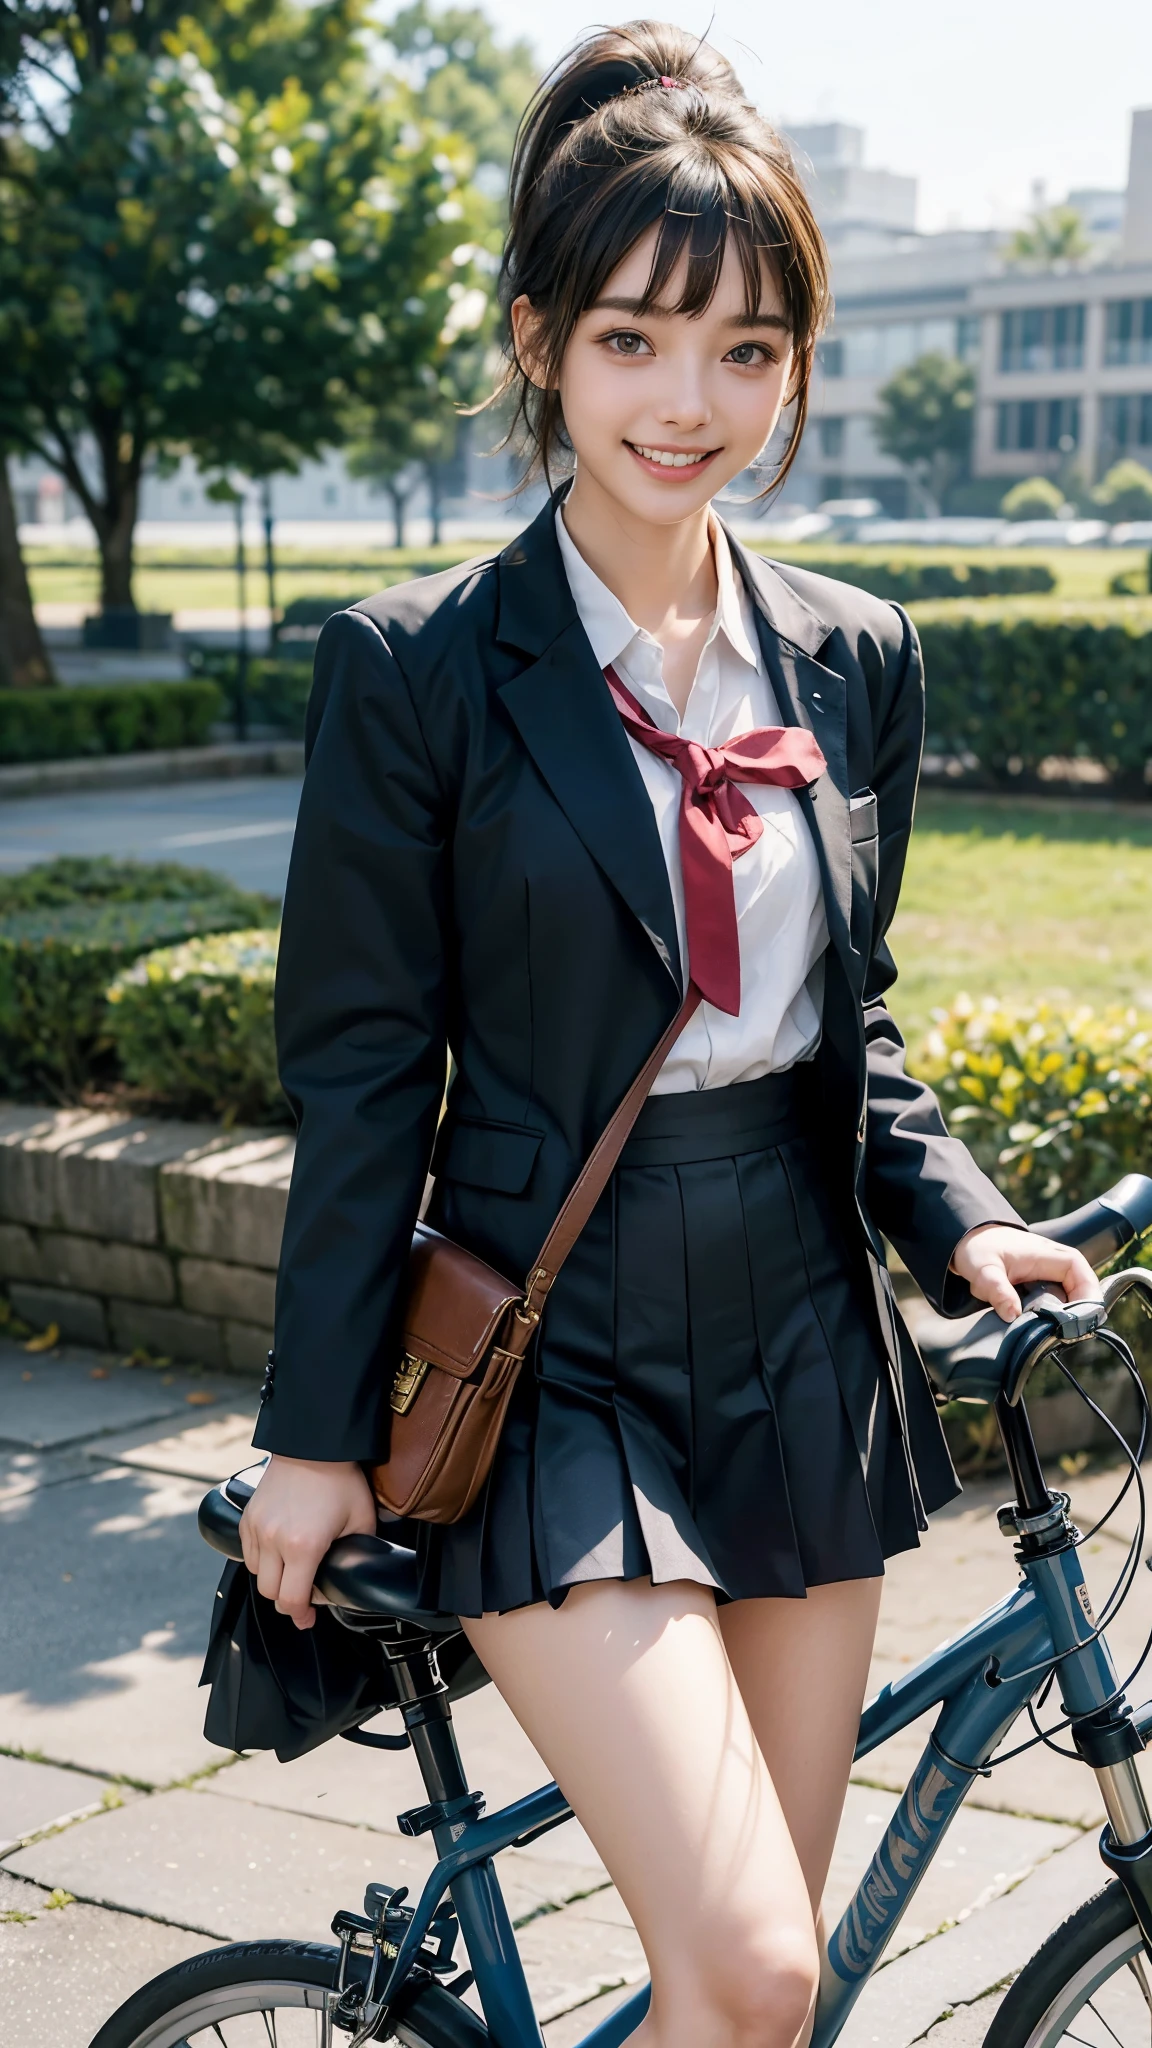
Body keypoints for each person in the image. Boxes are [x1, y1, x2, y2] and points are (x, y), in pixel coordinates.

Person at [241, 25, 1098, 2048]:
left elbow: (844, 1017)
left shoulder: (854, 651)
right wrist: (305, 1432)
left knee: (746, 2008)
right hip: (559, 1355)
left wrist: (957, 1221)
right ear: (544, 341)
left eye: (745, 349)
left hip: (805, 1335)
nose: (689, 402)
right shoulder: (420, 671)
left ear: (800, 363)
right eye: (635, 339)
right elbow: (363, 1073)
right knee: (755, 1962)